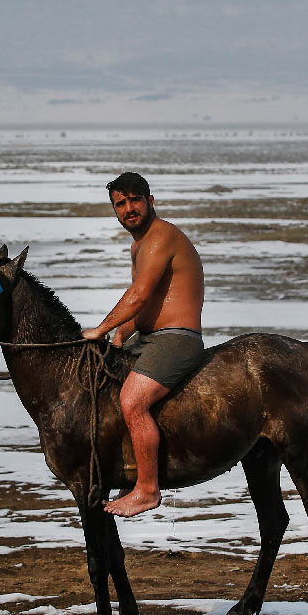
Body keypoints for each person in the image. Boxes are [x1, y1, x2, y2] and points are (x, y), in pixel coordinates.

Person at [81, 172, 205, 517]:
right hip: (149, 339)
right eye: (120, 204)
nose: (128, 208)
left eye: (135, 200)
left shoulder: (160, 235)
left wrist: (103, 328)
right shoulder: (139, 245)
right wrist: (120, 336)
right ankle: (129, 471)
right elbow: (148, 304)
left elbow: (138, 295)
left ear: (150, 201)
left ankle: (149, 490)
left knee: (132, 400)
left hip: (176, 340)